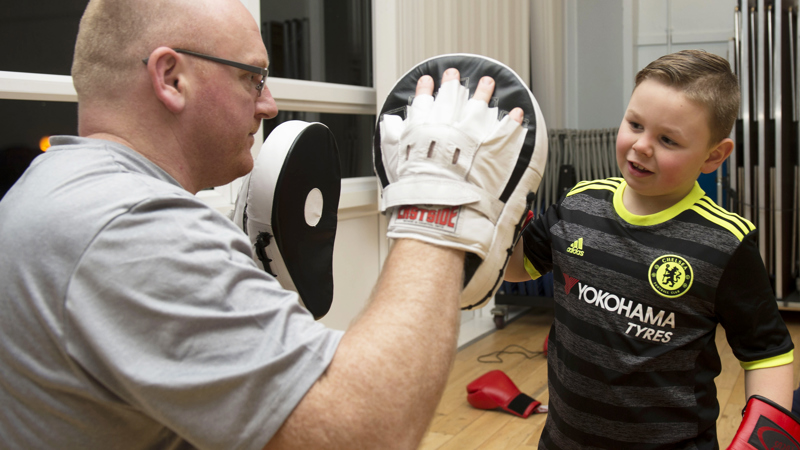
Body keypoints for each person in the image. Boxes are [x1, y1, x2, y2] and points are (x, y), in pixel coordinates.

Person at [0, 0, 526, 448]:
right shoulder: (132, 230)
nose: (269, 106)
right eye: (252, 78)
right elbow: (368, 431)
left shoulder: (53, 183)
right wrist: (434, 193)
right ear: (171, 78)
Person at [505, 50, 794, 449]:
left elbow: (767, 354)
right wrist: (489, 209)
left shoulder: (725, 243)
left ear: (714, 155)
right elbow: (515, 268)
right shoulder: (579, 204)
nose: (641, 146)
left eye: (667, 139)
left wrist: (767, 441)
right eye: (634, 124)